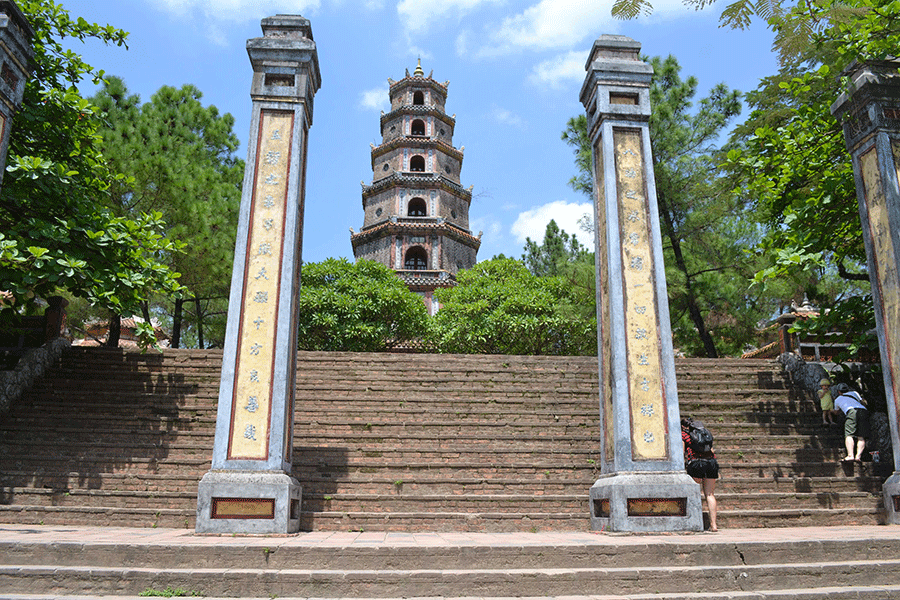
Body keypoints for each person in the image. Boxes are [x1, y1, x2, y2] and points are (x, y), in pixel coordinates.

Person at [681, 417, 718, 532]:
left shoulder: (684, 435)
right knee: (710, 494)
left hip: (696, 463)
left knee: (695, 493)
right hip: (711, 463)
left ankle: (695, 523)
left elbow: (682, 452)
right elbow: (711, 450)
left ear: (683, 426)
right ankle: (714, 525)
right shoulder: (705, 433)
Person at [831, 383, 869, 462]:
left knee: (849, 434)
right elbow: (863, 402)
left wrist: (830, 411)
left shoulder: (838, 399)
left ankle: (850, 455)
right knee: (861, 436)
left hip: (851, 411)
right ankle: (858, 456)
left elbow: (836, 412)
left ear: (839, 392)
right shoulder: (855, 393)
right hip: (863, 411)